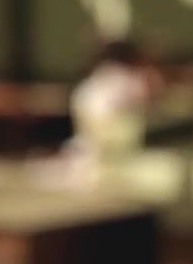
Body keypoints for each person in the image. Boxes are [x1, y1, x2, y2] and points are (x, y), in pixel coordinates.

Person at [33, 39, 164, 188]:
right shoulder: (121, 77)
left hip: (96, 130)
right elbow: (150, 93)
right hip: (106, 130)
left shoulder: (101, 76)